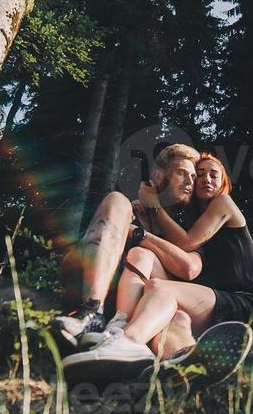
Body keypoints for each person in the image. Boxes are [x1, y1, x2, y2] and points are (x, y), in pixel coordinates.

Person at [61, 152, 253, 369]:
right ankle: (177, 363)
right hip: (204, 304)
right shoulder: (193, 221)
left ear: (224, 181)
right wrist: (145, 216)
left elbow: (187, 248)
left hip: (241, 301)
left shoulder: (223, 204)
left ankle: (128, 340)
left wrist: (152, 209)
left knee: (160, 289)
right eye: (201, 175)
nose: (205, 179)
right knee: (170, 311)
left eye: (214, 175)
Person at [48, 142, 201, 352]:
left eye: (193, 177)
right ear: (158, 176)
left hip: (147, 313)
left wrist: (139, 230)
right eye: (182, 173)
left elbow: (189, 268)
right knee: (116, 199)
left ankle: (181, 369)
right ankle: (91, 312)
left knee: (178, 316)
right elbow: (75, 260)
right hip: (99, 290)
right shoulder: (129, 210)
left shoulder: (187, 232)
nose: (189, 182)